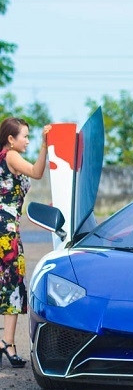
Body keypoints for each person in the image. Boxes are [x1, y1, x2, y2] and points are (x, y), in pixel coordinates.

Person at [0, 117, 49, 368]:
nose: (27, 140)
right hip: (5, 232)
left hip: (8, 228)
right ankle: (6, 343)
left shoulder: (5, 157)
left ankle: (6, 342)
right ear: (11, 139)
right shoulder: (11, 156)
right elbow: (37, 173)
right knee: (12, 285)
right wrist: (45, 145)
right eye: (25, 136)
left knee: (11, 286)